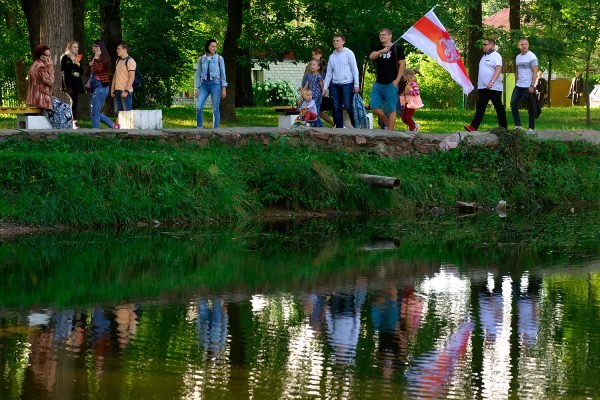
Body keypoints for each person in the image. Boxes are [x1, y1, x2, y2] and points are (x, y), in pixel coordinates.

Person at [464, 38, 507, 132]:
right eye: (483, 44)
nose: (483, 46)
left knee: (499, 107)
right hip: (483, 88)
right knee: (480, 108)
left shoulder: (496, 56)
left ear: (491, 45)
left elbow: (498, 69)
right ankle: (473, 127)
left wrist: (492, 81)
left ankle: (504, 128)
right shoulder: (483, 57)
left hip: (494, 88)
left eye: (485, 44)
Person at [27, 45, 73, 129]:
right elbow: (50, 82)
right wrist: (50, 68)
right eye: (47, 56)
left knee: (64, 107)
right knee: (67, 109)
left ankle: (63, 129)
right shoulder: (41, 67)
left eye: (50, 55)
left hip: (37, 98)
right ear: (41, 56)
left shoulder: (35, 64)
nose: (49, 58)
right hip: (41, 100)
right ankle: (64, 132)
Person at [369, 28, 405, 130]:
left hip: (391, 83)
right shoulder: (378, 47)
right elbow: (371, 57)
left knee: (391, 109)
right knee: (374, 107)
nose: (381, 36)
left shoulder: (398, 48)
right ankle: (387, 122)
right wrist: (382, 50)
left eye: (384, 35)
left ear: (390, 36)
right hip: (379, 83)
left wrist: (397, 80)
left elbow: (402, 64)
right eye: (380, 35)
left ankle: (391, 133)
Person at [322, 35, 360, 128]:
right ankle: (339, 128)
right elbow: (329, 73)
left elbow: (354, 69)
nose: (335, 42)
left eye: (337, 40)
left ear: (343, 42)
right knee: (336, 107)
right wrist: (325, 87)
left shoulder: (349, 53)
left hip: (347, 83)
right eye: (334, 41)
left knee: (347, 106)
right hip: (335, 84)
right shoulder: (332, 56)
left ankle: (355, 125)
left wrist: (356, 84)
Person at [194, 39, 227, 128]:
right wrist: (196, 88)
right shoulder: (201, 59)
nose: (214, 48)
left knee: (215, 109)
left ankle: (216, 130)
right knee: (199, 107)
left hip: (216, 84)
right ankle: (199, 128)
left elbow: (223, 73)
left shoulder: (219, 58)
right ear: (208, 46)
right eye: (213, 46)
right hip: (204, 85)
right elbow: (198, 74)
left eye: (215, 46)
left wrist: (224, 87)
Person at [510, 37, 538, 131]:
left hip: (528, 86)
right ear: (519, 46)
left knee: (531, 106)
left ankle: (531, 128)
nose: (524, 46)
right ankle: (518, 125)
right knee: (513, 103)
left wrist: (532, 85)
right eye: (522, 44)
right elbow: (517, 70)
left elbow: (535, 72)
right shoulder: (518, 57)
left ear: (528, 45)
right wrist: (516, 81)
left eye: (526, 44)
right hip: (519, 85)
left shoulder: (532, 56)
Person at [89, 40, 118, 129]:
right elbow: (88, 69)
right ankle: (114, 126)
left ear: (99, 47)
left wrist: (96, 57)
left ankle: (95, 133)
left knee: (95, 112)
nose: (92, 47)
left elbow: (97, 70)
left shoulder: (104, 59)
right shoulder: (95, 57)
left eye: (94, 46)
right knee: (94, 111)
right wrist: (94, 58)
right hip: (94, 87)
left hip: (101, 87)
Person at [307, 48, 334, 126]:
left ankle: (321, 128)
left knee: (314, 111)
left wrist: (323, 89)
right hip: (312, 91)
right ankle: (331, 125)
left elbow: (324, 79)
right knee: (317, 111)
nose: (314, 56)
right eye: (312, 55)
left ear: (320, 55)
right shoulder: (311, 64)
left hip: (319, 92)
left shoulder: (323, 65)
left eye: (316, 54)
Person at [60, 41, 84, 128]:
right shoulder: (65, 57)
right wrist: (72, 62)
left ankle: (72, 121)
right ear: (70, 48)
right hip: (68, 83)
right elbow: (63, 68)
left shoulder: (78, 57)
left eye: (77, 47)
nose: (76, 49)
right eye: (74, 47)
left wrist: (78, 64)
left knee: (75, 100)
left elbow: (82, 71)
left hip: (76, 82)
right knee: (74, 99)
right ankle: (74, 121)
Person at [111, 42, 136, 117]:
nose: (117, 50)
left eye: (119, 49)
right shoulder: (118, 61)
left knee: (127, 115)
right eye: (117, 49)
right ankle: (119, 129)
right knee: (117, 114)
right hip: (117, 91)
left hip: (125, 92)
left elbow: (132, 77)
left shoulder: (130, 61)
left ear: (125, 50)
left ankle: (128, 129)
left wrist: (126, 91)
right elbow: (115, 76)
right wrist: (112, 89)